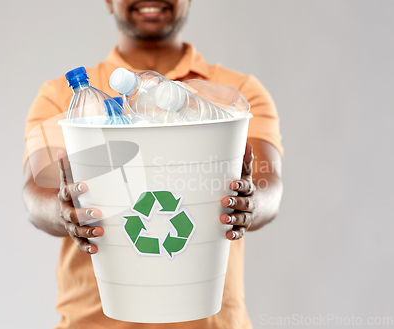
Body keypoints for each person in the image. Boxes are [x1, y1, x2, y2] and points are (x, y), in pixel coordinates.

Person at [22, 0, 283, 328]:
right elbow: (36, 197)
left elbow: (268, 189)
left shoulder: (237, 93)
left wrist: (249, 203)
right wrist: (64, 211)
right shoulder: (61, 96)